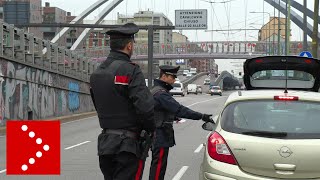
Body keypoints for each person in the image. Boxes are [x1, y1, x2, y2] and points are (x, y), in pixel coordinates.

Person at [89, 23, 155, 180]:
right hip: (128, 146)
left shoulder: (97, 74)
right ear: (129, 46)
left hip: (105, 145)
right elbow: (145, 107)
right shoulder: (131, 70)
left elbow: (98, 105)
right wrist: (151, 129)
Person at [149, 65, 214, 180]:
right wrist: (201, 116)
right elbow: (179, 109)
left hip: (158, 133)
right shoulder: (161, 94)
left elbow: (159, 110)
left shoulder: (156, 90)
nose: (174, 80)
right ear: (164, 76)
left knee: (158, 166)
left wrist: (173, 117)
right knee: (158, 167)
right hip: (160, 134)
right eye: (172, 77)